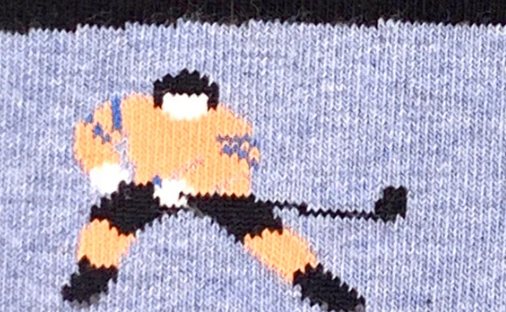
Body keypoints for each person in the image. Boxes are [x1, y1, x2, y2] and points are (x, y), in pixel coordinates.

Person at [62, 70, 365, 312]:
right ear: (160, 100)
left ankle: (316, 282)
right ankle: (93, 272)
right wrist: (108, 173)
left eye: (194, 109)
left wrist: (191, 183)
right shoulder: (134, 109)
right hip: (149, 188)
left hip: (217, 193)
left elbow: (238, 157)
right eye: (175, 107)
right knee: (108, 220)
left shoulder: (226, 122)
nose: (184, 116)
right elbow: (93, 130)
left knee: (265, 232)